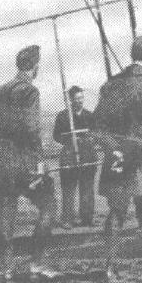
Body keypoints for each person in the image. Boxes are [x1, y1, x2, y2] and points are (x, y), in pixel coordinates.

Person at [91, 34, 142, 282]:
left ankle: (109, 269)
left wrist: (115, 149)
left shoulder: (109, 85)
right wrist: (131, 153)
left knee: (116, 211)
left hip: (116, 155)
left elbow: (97, 126)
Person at [0, 45, 60, 281]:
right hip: (24, 158)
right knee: (49, 205)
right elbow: (31, 129)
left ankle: (6, 268)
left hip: (2, 158)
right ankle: (36, 263)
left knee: (6, 210)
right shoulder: (30, 91)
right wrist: (39, 160)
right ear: (35, 67)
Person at [53, 85, 97, 229]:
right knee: (69, 188)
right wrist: (70, 139)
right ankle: (67, 219)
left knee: (87, 187)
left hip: (87, 155)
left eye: (81, 98)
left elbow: (96, 133)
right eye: (77, 98)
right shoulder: (63, 116)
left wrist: (89, 139)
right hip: (69, 155)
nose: (80, 101)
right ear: (70, 100)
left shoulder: (89, 115)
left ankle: (87, 218)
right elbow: (56, 136)